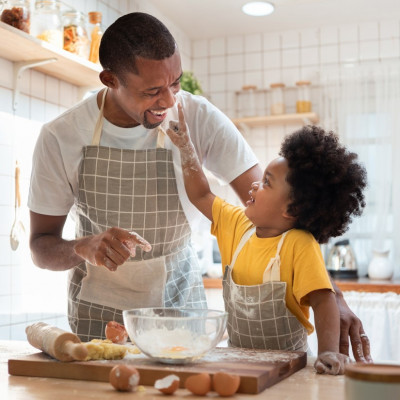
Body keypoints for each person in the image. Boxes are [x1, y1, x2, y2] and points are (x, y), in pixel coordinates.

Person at [28, 12, 371, 361]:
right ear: (110, 79)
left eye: (175, 83)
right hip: (97, 320)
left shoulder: (199, 119)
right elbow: (41, 247)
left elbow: (283, 217)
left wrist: (332, 297)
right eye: (153, 91)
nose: (169, 101)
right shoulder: (61, 136)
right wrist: (84, 247)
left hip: (182, 318)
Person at [166, 105, 369, 374]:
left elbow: (323, 300)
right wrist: (186, 149)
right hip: (240, 363)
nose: (254, 185)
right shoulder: (237, 224)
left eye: (266, 183)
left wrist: (328, 353)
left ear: (291, 210)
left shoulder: (299, 244)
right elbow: (201, 195)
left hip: (289, 369)